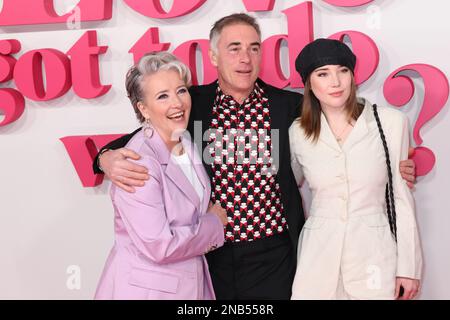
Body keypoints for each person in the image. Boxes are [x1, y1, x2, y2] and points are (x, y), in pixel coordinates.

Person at [93, 14, 417, 299]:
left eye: (254, 48)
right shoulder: (192, 103)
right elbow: (143, 135)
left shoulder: (288, 107)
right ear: (214, 56)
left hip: (273, 254)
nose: (245, 58)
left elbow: (342, 127)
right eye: (234, 48)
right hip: (212, 254)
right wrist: (104, 158)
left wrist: (389, 163)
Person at [289, 38, 422, 300]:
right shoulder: (298, 131)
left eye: (343, 71)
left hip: (374, 257)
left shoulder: (391, 123)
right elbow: (285, 188)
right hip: (317, 260)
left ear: (353, 75)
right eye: (323, 74)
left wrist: (409, 268)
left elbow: (401, 200)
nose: (335, 82)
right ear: (309, 83)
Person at [94, 52, 227, 300]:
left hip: (190, 284)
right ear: (143, 108)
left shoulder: (184, 139)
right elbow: (159, 245)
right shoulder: (137, 162)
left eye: (181, 91)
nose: (177, 103)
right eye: (162, 96)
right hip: (150, 291)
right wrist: (213, 223)